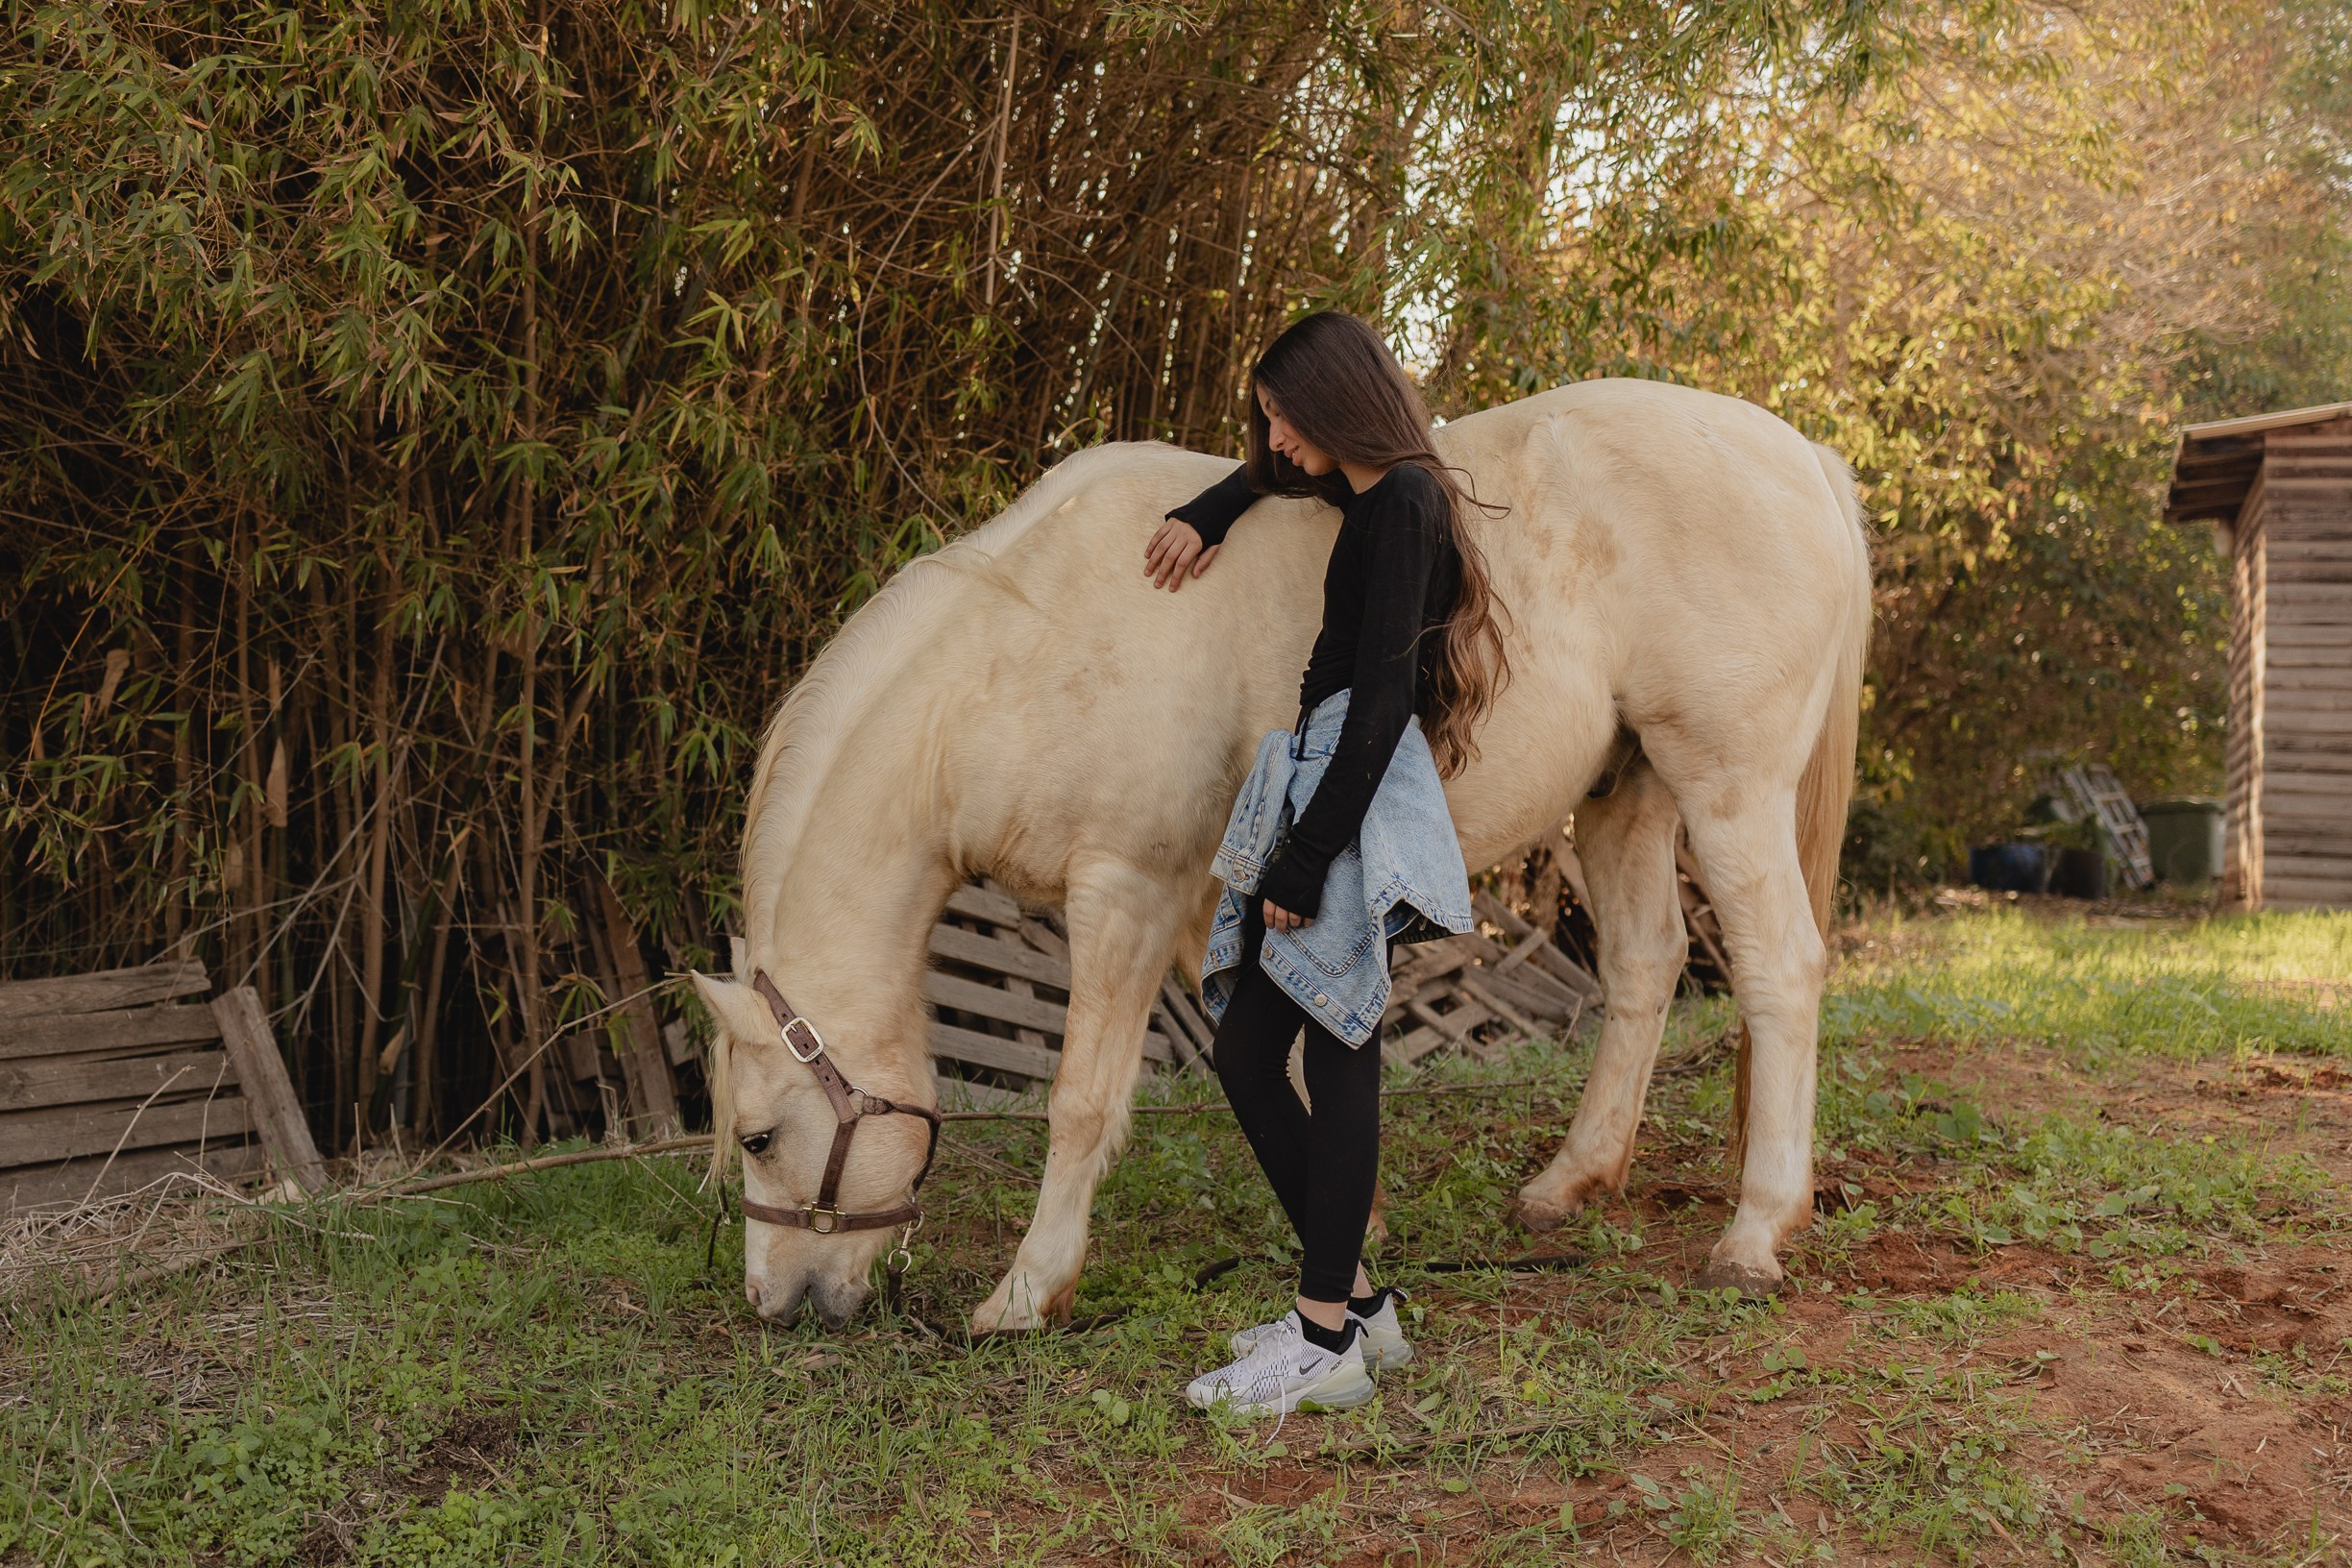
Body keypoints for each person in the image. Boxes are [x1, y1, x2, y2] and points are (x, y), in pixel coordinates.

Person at [1142, 310, 1508, 1417]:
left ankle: (1320, 1344)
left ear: (1336, 403)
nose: (1271, 436)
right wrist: (1216, 502)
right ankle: (1355, 1310)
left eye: (1281, 415)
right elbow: (1276, 479)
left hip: (1356, 771)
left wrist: (1303, 861)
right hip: (1328, 765)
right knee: (1251, 1052)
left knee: (1337, 1044)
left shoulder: (1401, 503)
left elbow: (1387, 700)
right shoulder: (1372, 490)